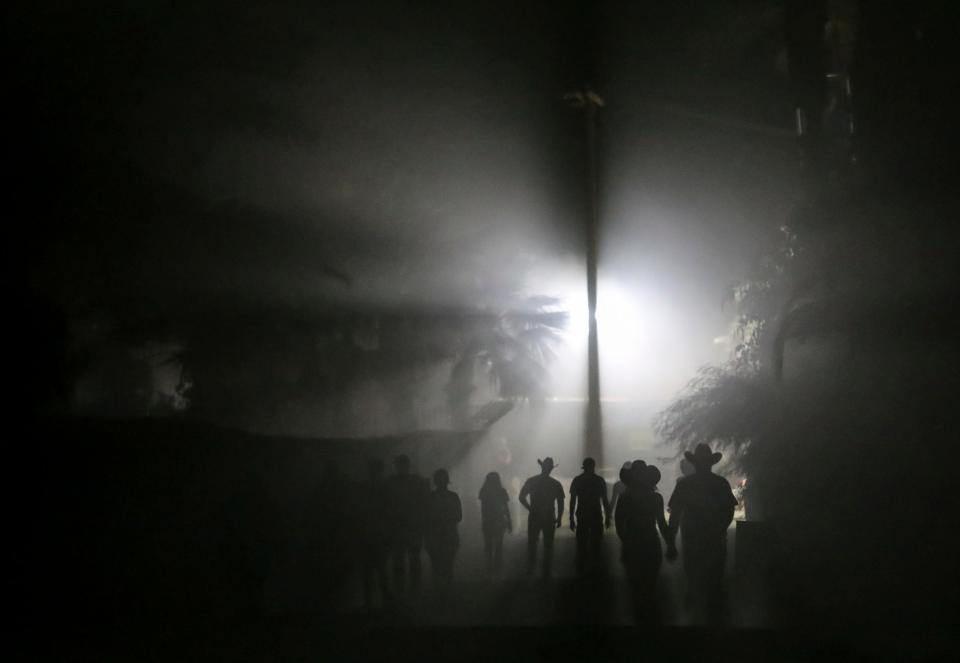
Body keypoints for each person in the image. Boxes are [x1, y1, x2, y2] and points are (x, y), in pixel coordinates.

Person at [666, 443, 738, 623]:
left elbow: (675, 514)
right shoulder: (721, 483)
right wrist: (719, 528)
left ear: (694, 463)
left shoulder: (685, 485)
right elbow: (729, 511)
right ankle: (715, 617)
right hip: (715, 538)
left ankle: (695, 618)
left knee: (693, 575)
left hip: (692, 538)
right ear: (711, 463)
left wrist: (670, 541)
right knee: (714, 577)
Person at [615, 463, 670, 623]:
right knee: (649, 584)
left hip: (633, 542)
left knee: (635, 585)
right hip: (651, 542)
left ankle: (639, 617)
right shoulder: (655, 498)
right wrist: (670, 543)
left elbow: (619, 523)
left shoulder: (625, 498)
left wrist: (625, 541)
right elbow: (661, 523)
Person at [385, 454, 429, 593]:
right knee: (408, 558)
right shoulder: (414, 481)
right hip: (407, 526)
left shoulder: (392, 482)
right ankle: (411, 588)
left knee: (404, 558)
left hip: (403, 526)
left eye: (401, 465)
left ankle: (405, 588)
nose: (401, 468)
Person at [519, 457, 565, 579]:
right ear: (551, 469)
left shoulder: (532, 481)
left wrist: (530, 508)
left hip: (534, 515)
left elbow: (521, 497)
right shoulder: (555, 484)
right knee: (548, 545)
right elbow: (560, 502)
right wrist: (559, 518)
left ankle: (531, 570)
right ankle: (546, 571)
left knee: (532, 543)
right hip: (549, 516)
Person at [358, 459, 392, 610]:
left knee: (368, 570)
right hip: (380, 534)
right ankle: (384, 600)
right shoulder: (385, 488)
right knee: (380, 569)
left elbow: (359, 511)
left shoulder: (364, 488)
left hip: (368, 534)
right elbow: (390, 511)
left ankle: (369, 601)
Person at [569, 457, 611, 575]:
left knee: (582, 544)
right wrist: (608, 516)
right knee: (596, 544)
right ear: (593, 466)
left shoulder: (578, 480)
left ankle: (582, 570)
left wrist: (571, 518)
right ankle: (596, 570)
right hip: (596, 514)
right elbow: (605, 500)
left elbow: (573, 501)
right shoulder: (599, 480)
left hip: (582, 514)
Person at [424, 469, 462, 589]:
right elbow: (458, 516)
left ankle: (439, 593)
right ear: (447, 481)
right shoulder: (453, 496)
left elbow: (426, 517)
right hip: (449, 535)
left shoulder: (430, 497)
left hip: (434, 536)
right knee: (447, 566)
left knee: (436, 566)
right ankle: (446, 592)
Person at [478, 472, 512, 575]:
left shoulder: (484, 491)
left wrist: (483, 520)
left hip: (488, 520)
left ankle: (489, 566)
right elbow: (506, 508)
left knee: (488, 545)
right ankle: (497, 566)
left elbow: (483, 508)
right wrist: (509, 521)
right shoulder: (502, 491)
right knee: (499, 545)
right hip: (499, 520)